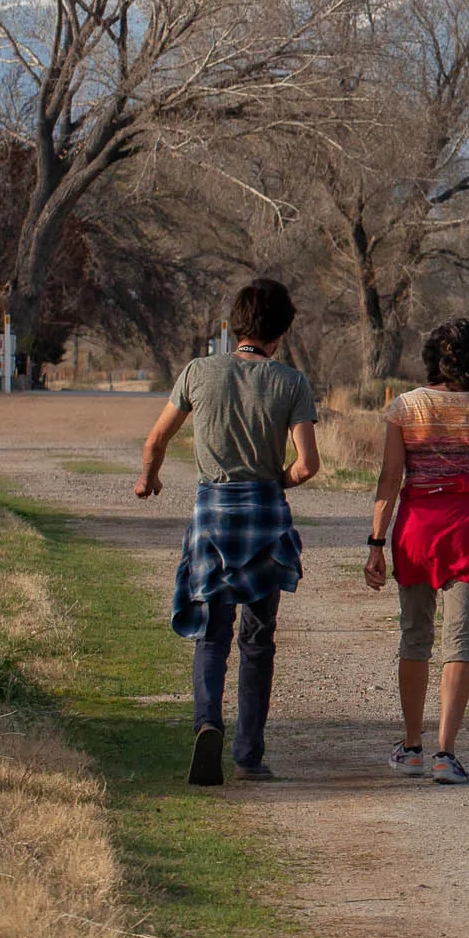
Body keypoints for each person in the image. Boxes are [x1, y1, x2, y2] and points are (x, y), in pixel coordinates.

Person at [136, 278, 320, 786]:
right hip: (264, 519)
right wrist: (273, 482)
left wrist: (148, 478)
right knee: (258, 639)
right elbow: (308, 465)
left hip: (212, 516)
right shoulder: (292, 383)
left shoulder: (199, 372)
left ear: (236, 324)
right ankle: (248, 754)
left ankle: (207, 724)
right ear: (281, 331)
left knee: (212, 633)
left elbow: (155, 441)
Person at [364, 318, 469, 786]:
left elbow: (390, 480)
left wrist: (376, 542)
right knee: (459, 642)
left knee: (415, 637)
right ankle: (446, 754)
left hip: (415, 533)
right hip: (468, 532)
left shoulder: (405, 407)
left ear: (432, 359)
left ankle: (410, 747)